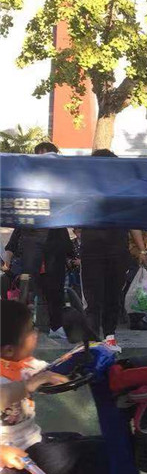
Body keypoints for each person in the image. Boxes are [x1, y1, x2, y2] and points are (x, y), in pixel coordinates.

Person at [1, 299, 140, 474]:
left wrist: (84, 355)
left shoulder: (18, 364)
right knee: (92, 453)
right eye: (30, 330)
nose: (36, 333)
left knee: (74, 443)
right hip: (8, 462)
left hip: (27, 445)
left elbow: (53, 370)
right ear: (8, 349)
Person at [1, 141, 75, 342]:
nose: (44, 160)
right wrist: (9, 252)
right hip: (32, 239)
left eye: (48, 156)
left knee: (55, 286)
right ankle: (21, 329)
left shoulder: (62, 180)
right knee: (27, 286)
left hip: (55, 239)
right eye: (40, 156)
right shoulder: (26, 179)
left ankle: (56, 326)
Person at [79, 149, 132, 342]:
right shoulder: (85, 188)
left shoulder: (123, 190)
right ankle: (93, 341)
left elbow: (131, 217)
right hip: (92, 252)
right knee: (93, 300)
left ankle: (110, 336)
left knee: (113, 297)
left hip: (117, 251)